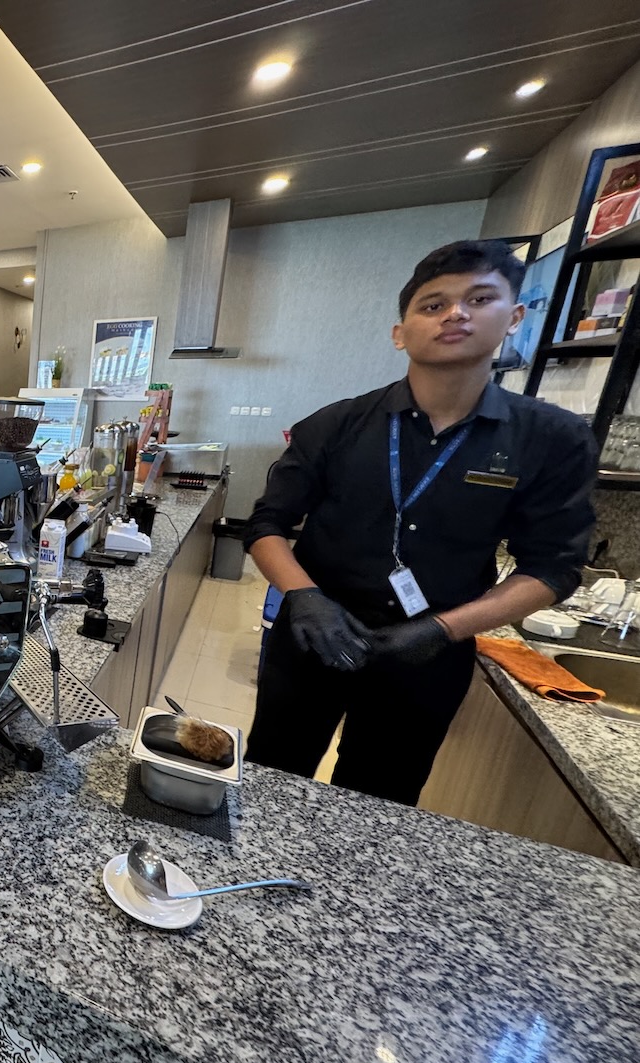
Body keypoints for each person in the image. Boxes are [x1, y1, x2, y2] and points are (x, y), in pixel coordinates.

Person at [243, 239, 597, 806]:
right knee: (268, 781)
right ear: (400, 331)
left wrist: (443, 630)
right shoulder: (334, 425)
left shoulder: (552, 439)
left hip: (429, 651)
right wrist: (304, 597)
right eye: (433, 305)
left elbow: (554, 567)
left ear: (514, 318)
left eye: (480, 299)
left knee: (381, 799)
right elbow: (266, 526)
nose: (456, 314)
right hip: (313, 637)